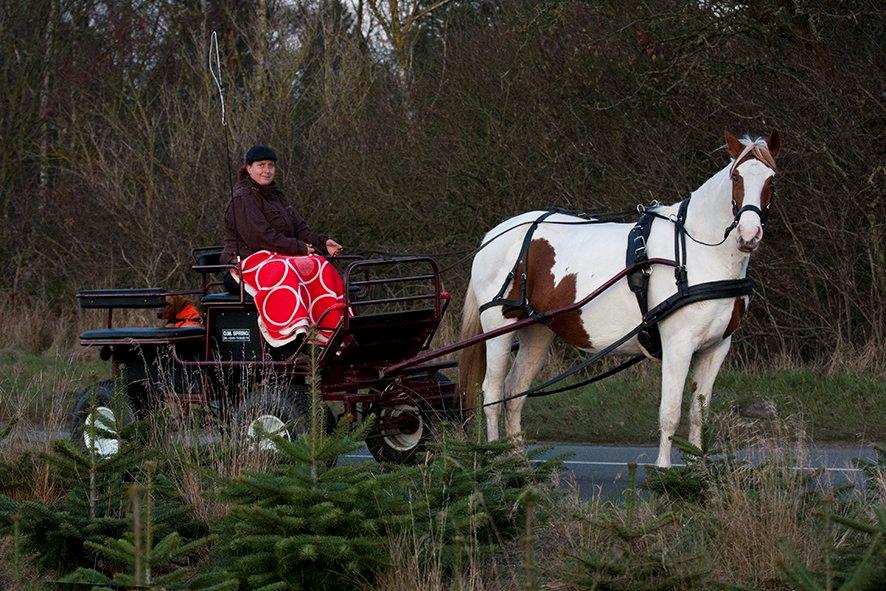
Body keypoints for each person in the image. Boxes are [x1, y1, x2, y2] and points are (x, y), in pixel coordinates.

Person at [221, 144, 342, 267]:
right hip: (247, 263)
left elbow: (300, 230)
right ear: (249, 168)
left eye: (271, 165)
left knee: (321, 266)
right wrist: (298, 247)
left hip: (279, 259)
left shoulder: (276, 196)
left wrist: (322, 243)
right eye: (261, 165)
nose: (267, 171)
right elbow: (260, 238)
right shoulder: (243, 198)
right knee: (296, 274)